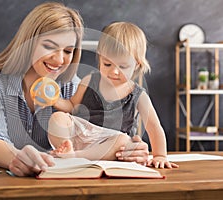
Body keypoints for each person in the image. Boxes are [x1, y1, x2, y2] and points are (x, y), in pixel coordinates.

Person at [0, 3, 149, 176]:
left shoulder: (73, 86)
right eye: (49, 46)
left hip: (42, 172)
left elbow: (93, 136)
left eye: (68, 51)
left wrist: (127, 149)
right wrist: (15, 158)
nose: (59, 60)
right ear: (28, 43)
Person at [49, 21, 178, 169]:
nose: (114, 72)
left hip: (111, 143)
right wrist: (55, 101)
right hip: (82, 136)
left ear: (136, 64)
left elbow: (154, 128)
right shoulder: (89, 80)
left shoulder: (138, 95)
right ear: (100, 58)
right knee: (58, 118)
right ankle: (66, 147)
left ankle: (74, 157)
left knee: (123, 141)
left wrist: (160, 155)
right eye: (107, 64)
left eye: (122, 67)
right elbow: (71, 106)